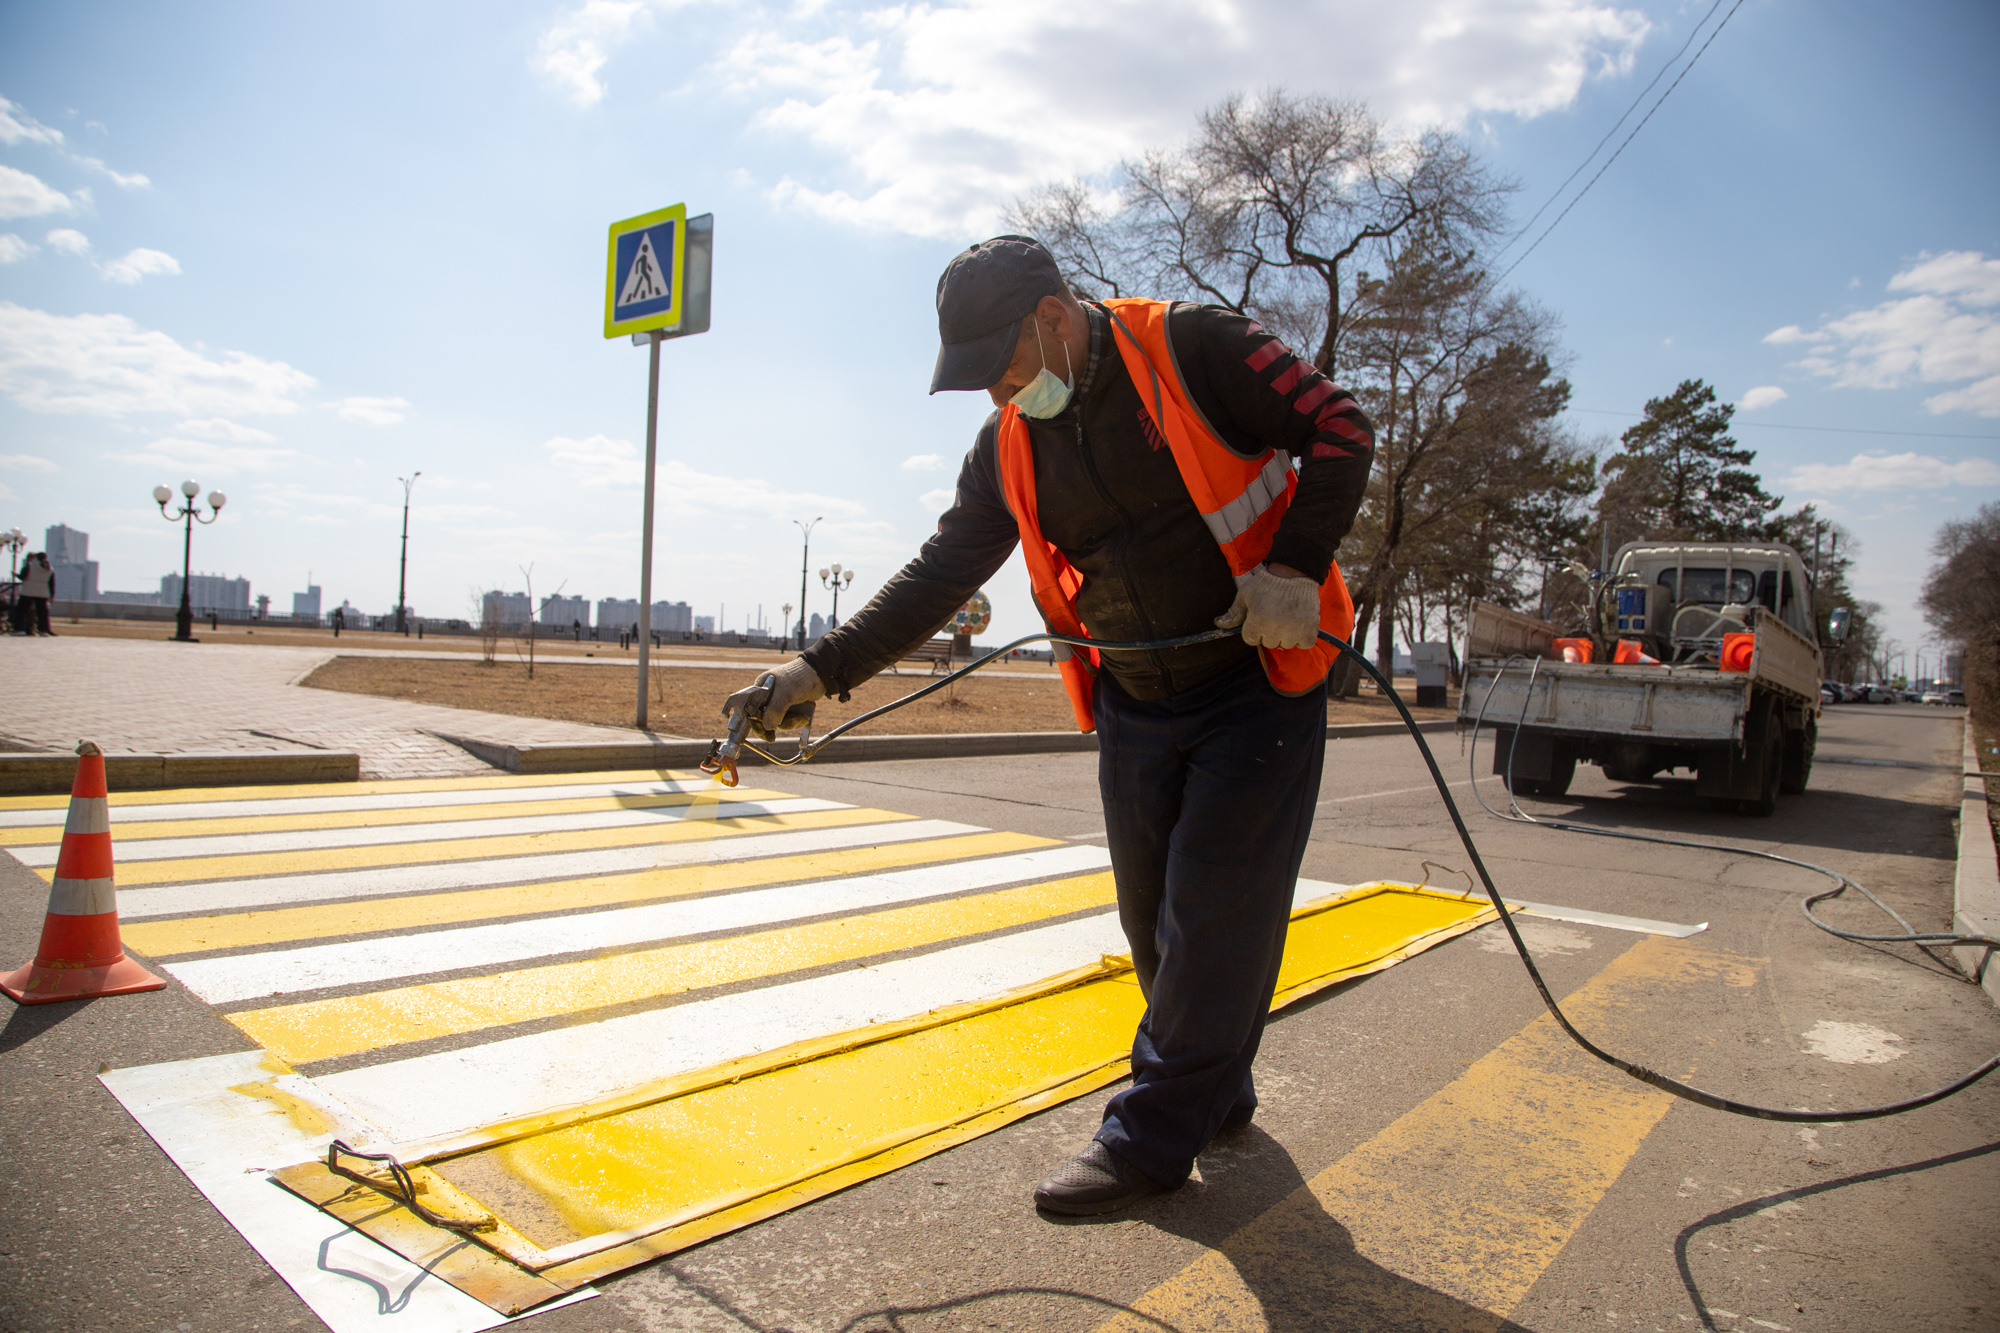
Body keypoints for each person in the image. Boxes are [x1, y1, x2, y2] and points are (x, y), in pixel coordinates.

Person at [721, 235, 1374, 1215]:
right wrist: (817, 669)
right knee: (1155, 925)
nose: (998, 397)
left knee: (1210, 909)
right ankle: (1211, 1087)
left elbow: (1340, 424)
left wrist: (1292, 566)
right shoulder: (1008, 445)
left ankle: (1149, 1137)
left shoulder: (1193, 351)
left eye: (1004, 370)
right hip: (1136, 699)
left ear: (1054, 321)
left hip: (1253, 685)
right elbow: (938, 573)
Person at [17, 552, 54, 636]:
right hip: (42, 592)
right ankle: (43, 630)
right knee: (42, 613)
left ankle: (20, 629)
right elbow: (51, 583)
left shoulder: (30, 566)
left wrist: (16, 574)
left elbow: (23, 577)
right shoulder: (49, 568)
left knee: (22, 611)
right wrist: (51, 595)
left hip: (28, 591)